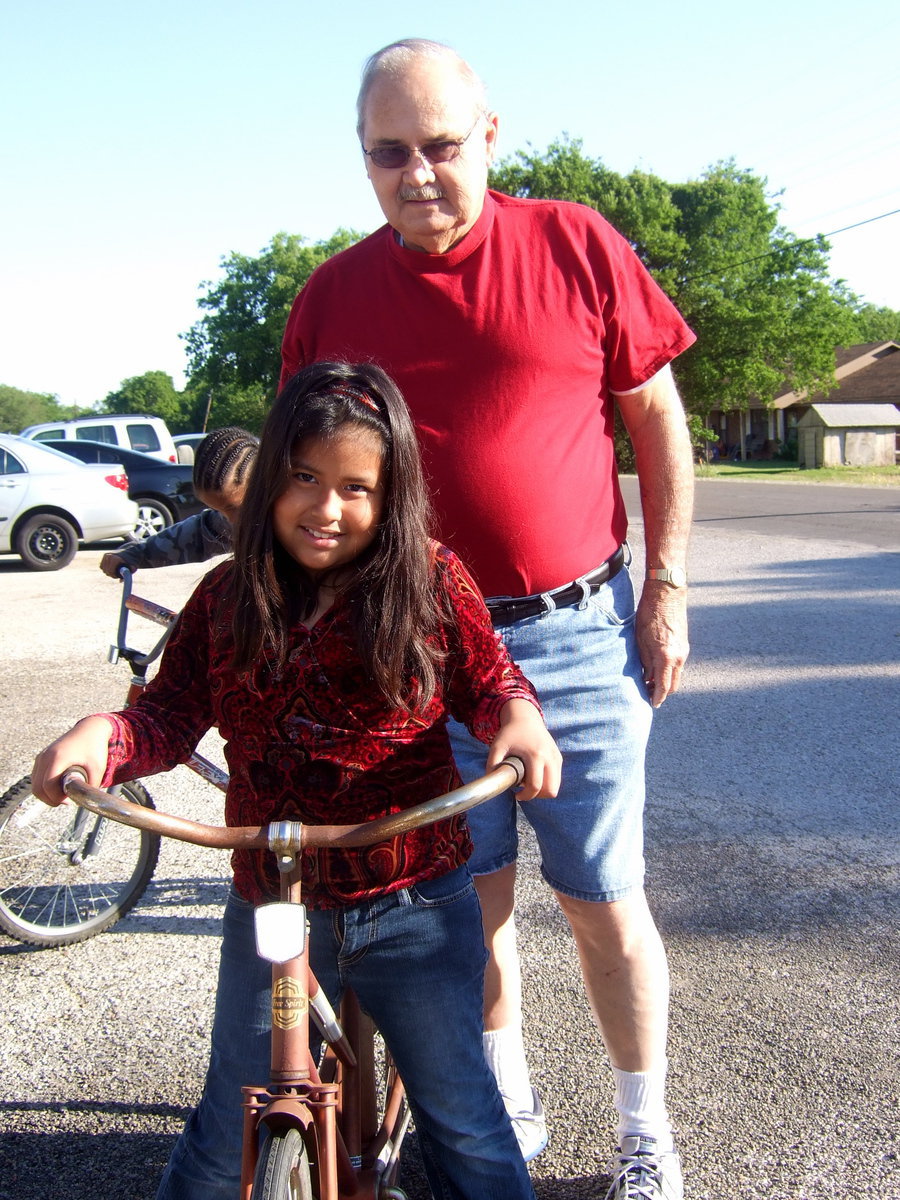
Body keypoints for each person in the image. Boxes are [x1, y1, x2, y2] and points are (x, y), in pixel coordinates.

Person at [279, 39, 696, 1200]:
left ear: (491, 136)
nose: (418, 174)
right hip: (412, 648)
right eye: (388, 154)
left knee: (604, 903)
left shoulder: (574, 243)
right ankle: (505, 1100)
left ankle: (644, 1128)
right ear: (363, 160)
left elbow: (655, 420)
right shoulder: (333, 296)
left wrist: (665, 587)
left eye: (441, 147)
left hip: (577, 633)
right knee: (471, 903)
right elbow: (305, 485)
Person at [31, 361, 561, 1200]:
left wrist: (519, 722)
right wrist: (105, 735)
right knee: (220, 1131)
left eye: (357, 487)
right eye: (304, 478)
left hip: (413, 897)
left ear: (392, 498)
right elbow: (166, 717)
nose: (326, 508)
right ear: (269, 476)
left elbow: (493, 684)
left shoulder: (426, 581)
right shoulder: (226, 596)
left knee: (462, 1118)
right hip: (272, 901)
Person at [98, 427, 257, 577]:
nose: (230, 520)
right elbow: (193, 533)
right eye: (218, 510)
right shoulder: (220, 524)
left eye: (234, 508)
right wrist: (131, 555)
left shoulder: (278, 518)